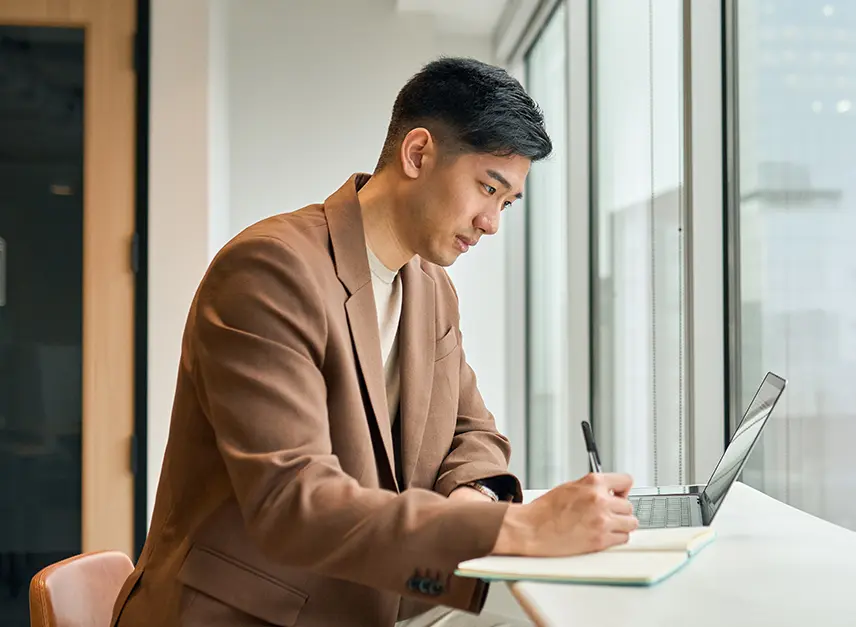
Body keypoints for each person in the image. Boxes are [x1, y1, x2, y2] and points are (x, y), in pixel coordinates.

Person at [110, 57, 638, 627]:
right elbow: (293, 503)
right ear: (417, 154)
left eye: (506, 203)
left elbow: (473, 431)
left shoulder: (432, 289)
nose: (492, 223)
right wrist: (516, 527)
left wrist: (474, 501)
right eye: (488, 188)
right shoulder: (270, 269)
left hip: (376, 605)